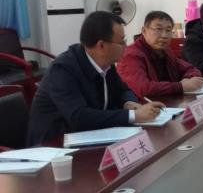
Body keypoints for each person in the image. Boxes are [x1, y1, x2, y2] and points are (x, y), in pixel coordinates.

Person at [27, 11, 162, 145]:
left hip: (92, 136)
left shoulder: (106, 63)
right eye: (122, 42)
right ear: (101, 45)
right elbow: (79, 117)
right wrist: (134, 116)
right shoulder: (62, 70)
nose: (126, 47)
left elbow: (123, 90)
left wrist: (129, 103)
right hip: (53, 146)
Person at [117, 10, 203, 98]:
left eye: (168, 30)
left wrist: (188, 79)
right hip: (143, 105)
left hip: (168, 103)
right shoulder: (131, 55)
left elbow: (191, 68)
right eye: (158, 29)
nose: (164, 35)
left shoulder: (166, 51)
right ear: (144, 31)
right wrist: (180, 86)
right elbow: (143, 88)